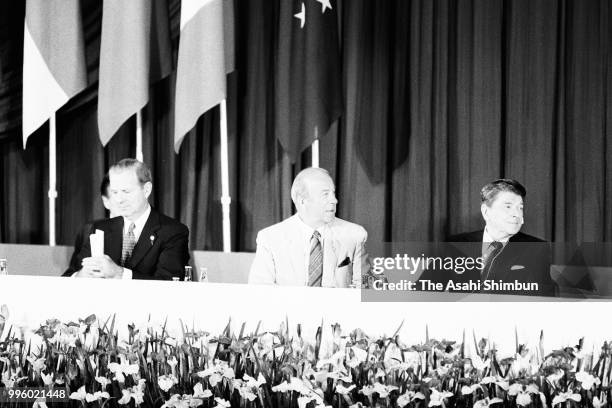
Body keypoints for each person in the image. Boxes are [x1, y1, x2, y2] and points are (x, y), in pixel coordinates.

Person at [70, 159, 189, 280]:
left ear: (146, 190)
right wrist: (81, 275)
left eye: (126, 191)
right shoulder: (100, 229)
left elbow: (170, 283)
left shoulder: (172, 232)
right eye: (115, 192)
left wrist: (120, 273)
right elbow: (67, 276)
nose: (119, 199)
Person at [248, 167, 369, 287]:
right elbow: (260, 290)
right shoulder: (270, 238)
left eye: (333, 193)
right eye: (325, 194)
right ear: (302, 201)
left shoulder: (355, 234)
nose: (334, 200)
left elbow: (371, 290)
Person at [437, 178, 557, 296]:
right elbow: (428, 290)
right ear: (486, 212)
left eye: (520, 208)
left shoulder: (536, 249)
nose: (517, 214)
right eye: (508, 207)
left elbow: (544, 299)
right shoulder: (453, 244)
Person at [63, 174, 117, 276]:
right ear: (106, 201)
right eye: (116, 194)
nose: (123, 200)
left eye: (127, 192)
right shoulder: (90, 230)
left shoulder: (149, 230)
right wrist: (81, 274)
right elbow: (70, 275)